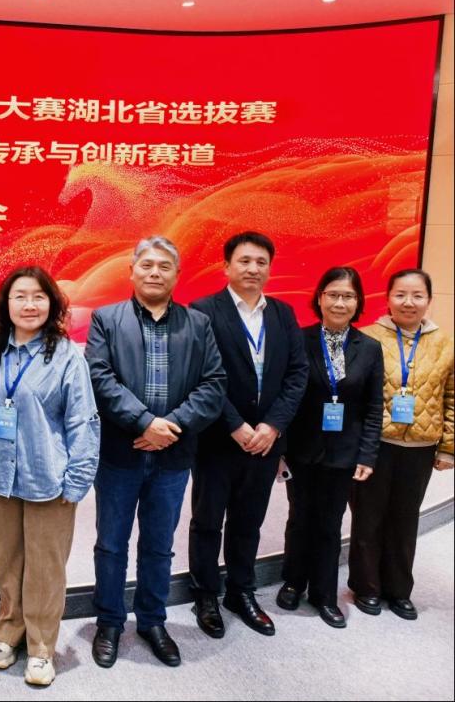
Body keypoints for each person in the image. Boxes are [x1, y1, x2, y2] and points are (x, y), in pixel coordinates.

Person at [86, 236, 226, 669]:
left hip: (173, 457)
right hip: (119, 453)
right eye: (146, 265)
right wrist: (144, 422)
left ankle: (152, 620)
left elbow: (214, 384)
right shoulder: (106, 319)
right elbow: (99, 378)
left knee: (159, 545)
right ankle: (109, 621)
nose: (154, 272)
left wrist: (171, 427)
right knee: (112, 544)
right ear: (131, 271)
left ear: (177, 275)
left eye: (164, 266)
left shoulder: (198, 324)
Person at [0, 266, 100, 687]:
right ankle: (8, 632)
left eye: (38, 296)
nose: (29, 305)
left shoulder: (67, 355)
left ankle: (41, 647)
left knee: (46, 566)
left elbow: (84, 420)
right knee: (7, 560)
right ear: (5, 304)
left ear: (52, 303)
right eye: (20, 296)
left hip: (49, 476)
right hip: (1, 475)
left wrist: (78, 479)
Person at [188, 231, 309, 638]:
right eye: (244, 261)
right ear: (226, 266)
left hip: (265, 441)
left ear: (270, 269)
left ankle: (241, 591)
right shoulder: (203, 311)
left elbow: (297, 374)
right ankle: (206, 594)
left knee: (249, 522)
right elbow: (200, 376)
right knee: (208, 521)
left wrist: (273, 425)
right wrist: (235, 424)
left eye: (261, 262)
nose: (253, 268)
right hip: (218, 439)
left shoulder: (283, 314)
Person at [276, 267, 383, 628]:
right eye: (333, 294)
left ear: (358, 302)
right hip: (301, 449)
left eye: (348, 296)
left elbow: (373, 407)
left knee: (330, 523)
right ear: (320, 298)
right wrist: (280, 448)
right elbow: (286, 396)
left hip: (344, 452)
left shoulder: (370, 348)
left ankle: (324, 594)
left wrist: (367, 454)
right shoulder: (299, 340)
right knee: (299, 517)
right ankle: (293, 581)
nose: (340, 302)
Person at [348, 268, 454, 620]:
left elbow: (452, 398)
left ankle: (398, 590)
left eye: (417, 295)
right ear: (388, 298)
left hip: (420, 449)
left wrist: (448, 447)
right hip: (374, 445)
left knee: (405, 520)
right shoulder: (366, 338)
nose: (409, 302)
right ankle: (366, 587)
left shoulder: (445, 344)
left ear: (429, 300)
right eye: (401, 294)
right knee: (368, 517)